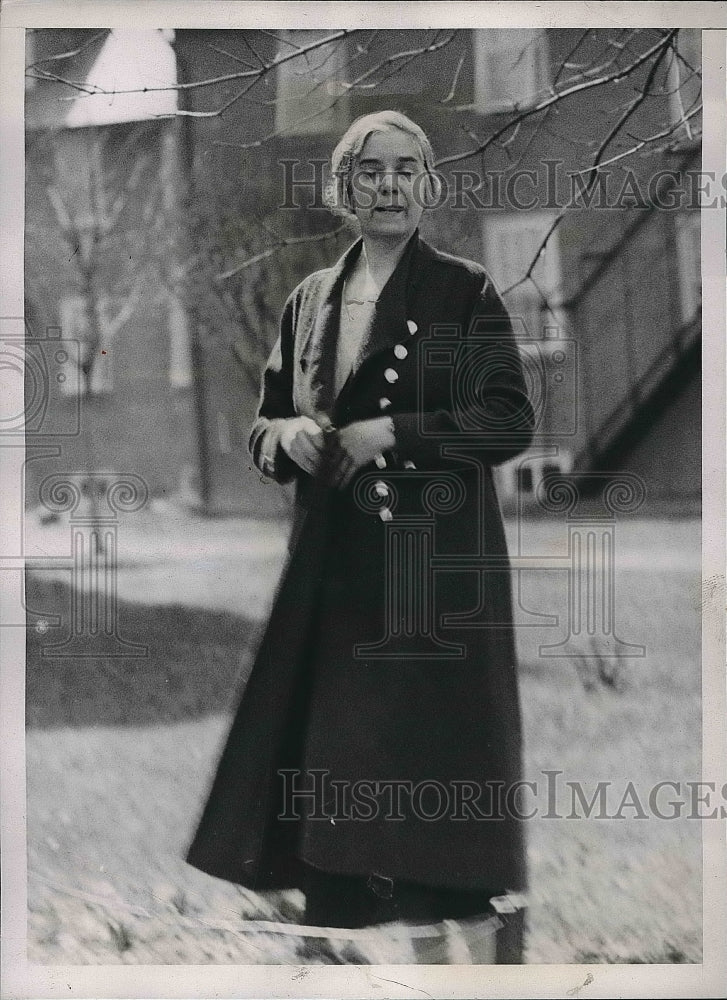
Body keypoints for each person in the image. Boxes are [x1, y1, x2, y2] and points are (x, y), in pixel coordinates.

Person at [186, 110, 536, 964]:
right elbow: (266, 418)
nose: (388, 185)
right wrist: (285, 440)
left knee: (446, 793)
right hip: (337, 583)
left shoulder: (463, 290)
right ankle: (415, 969)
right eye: (370, 172)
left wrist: (400, 433)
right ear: (343, 191)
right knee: (358, 795)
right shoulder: (311, 299)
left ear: (429, 185)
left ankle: (492, 970)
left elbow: (507, 420)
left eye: (405, 169)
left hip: (434, 582)